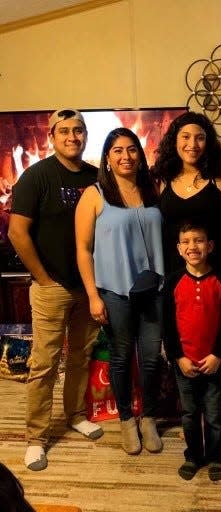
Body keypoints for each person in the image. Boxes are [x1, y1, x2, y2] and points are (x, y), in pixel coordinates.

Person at [8, 109, 103, 472]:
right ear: (51, 136)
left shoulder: (96, 177)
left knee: (80, 356)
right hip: (52, 287)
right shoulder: (36, 176)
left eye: (78, 131)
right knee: (44, 364)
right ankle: (36, 438)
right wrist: (43, 278)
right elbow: (17, 232)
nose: (72, 137)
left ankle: (76, 414)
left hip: (88, 287)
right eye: (64, 131)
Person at [75, 127, 164, 456]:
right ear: (108, 159)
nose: (126, 156)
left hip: (154, 288)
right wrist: (93, 296)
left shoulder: (153, 189)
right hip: (115, 291)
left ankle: (150, 417)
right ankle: (127, 418)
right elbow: (83, 250)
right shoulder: (94, 195)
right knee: (121, 357)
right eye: (118, 151)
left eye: (131, 149)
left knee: (153, 358)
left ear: (140, 155)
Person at [163, 220, 221, 481]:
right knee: (190, 414)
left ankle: (215, 456)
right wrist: (178, 357)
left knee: (214, 414)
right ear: (179, 249)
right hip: (185, 364)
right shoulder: (172, 282)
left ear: (210, 246)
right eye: (187, 242)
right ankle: (193, 455)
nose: (193, 246)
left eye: (199, 240)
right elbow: (168, 325)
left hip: (213, 362)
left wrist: (219, 355)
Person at [153, 111, 221, 274]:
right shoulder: (165, 179)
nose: (193, 144)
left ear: (208, 143)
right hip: (173, 272)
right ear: (174, 141)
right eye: (185, 137)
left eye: (200, 138)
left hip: (214, 274)